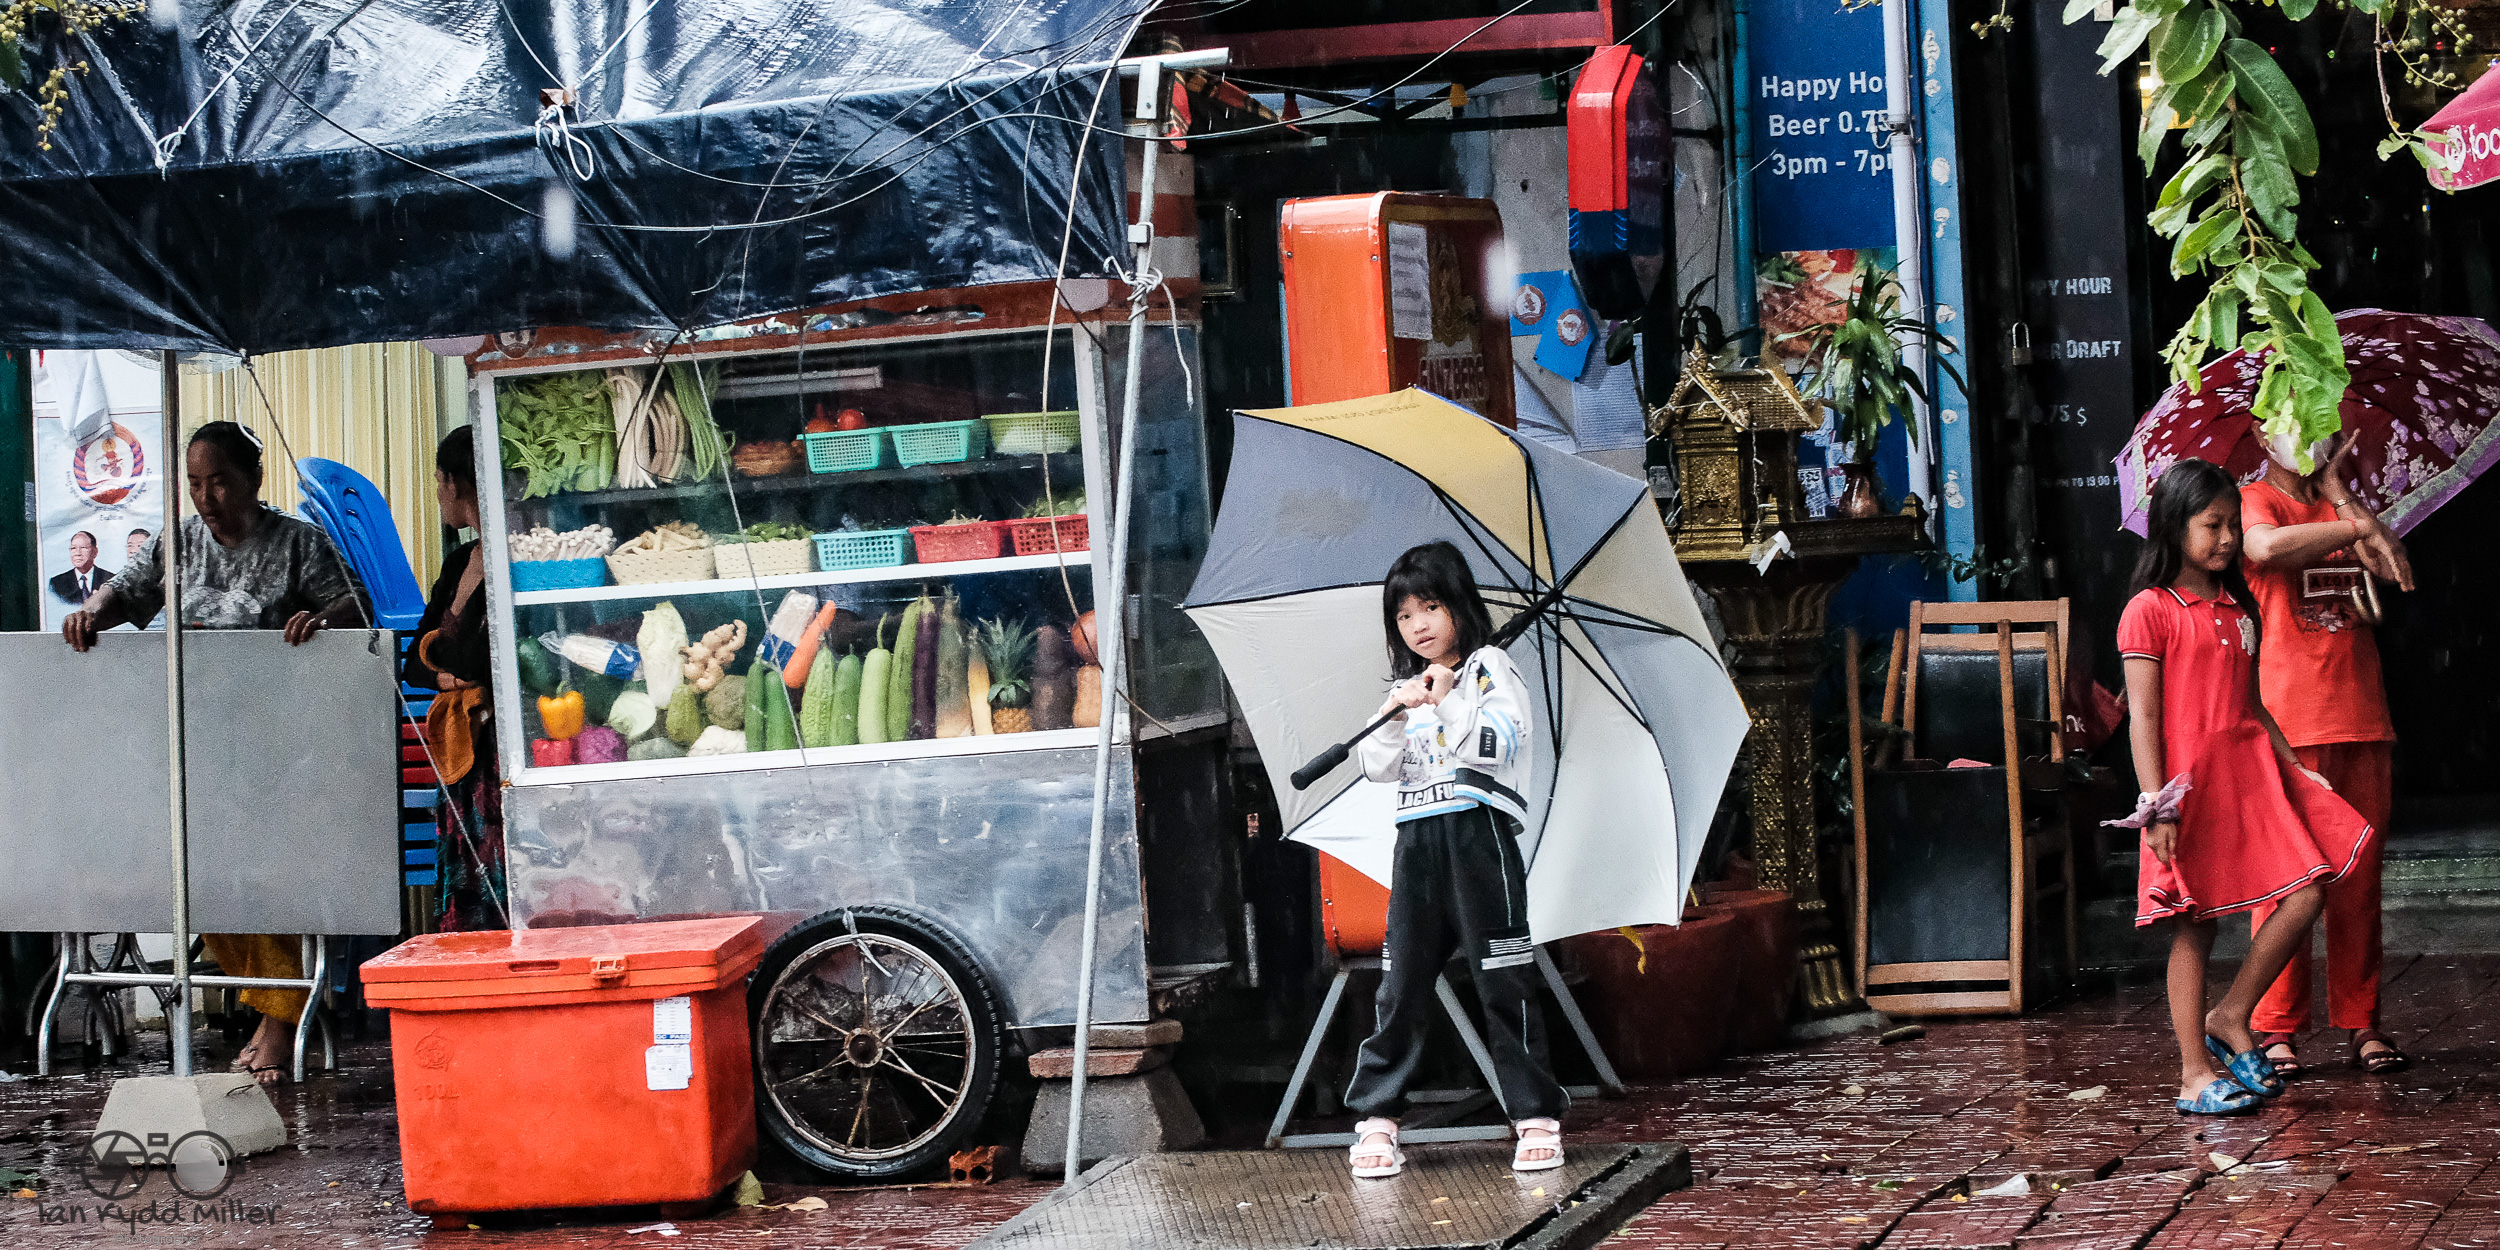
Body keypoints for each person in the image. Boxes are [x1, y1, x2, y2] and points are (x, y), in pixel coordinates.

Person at [61, 420, 366, 1086]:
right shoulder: (177, 542)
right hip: (194, 744)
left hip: (280, 750)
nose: (206, 497)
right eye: (195, 483)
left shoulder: (298, 544)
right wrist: (91, 613)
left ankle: (280, 1020)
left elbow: (356, 607)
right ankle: (283, 1011)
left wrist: (321, 620)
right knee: (200, 880)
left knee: (266, 881)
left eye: (220, 481)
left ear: (254, 478)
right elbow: (126, 593)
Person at [2115, 460, 2372, 1116]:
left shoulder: (2239, 607)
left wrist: (2295, 767)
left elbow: (2252, 705)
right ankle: (2193, 1075)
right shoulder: (2149, 610)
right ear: (2173, 527)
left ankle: (2231, 1014)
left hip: (2250, 778)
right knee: (2193, 925)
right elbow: (2143, 716)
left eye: (2234, 524)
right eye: (2213, 525)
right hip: (2184, 793)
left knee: (2308, 889)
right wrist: (2156, 804)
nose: (2229, 538)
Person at [1344, 541, 1563, 1179]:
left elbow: (1499, 744)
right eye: (1404, 616)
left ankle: (1534, 1116)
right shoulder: (1410, 686)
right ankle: (1378, 1117)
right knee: (1402, 981)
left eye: (1431, 607)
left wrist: (1448, 700)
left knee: (1502, 975)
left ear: (1459, 607)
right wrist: (1396, 712)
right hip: (1417, 840)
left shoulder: (1491, 668)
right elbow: (1377, 766)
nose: (1418, 626)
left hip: (1478, 835)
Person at [2239, 437, 2415, 1077]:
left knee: (2359, 880)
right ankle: (2275, 1027)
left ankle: (2363, 1021)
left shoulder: (2345, 506)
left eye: (2324, 422)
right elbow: (2263, 549)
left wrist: (2342, 498)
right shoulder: (2254, 500)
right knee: (2286, 878)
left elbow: (2396, 569)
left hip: (2361, 715)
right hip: (2290, 719)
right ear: (2264, 433)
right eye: (2294, 420)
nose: (2311, 437)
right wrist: (2348, 526)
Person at [400, 427, 506, 932]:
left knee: (499, 873)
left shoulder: (511, 558)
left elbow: (483, 659)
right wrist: (446, 670)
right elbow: (413, 664)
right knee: (465, 875)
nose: (438, 493)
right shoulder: (460, 561)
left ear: (457, 483)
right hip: (461, 756)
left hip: (497, 754)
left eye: (439, 481)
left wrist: (439, 655)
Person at [49, 530, 115, 604]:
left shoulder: (112, 580)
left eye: (83, 547)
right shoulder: (57, 583)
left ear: (95, 552)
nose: (77, 553)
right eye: (73, 548)